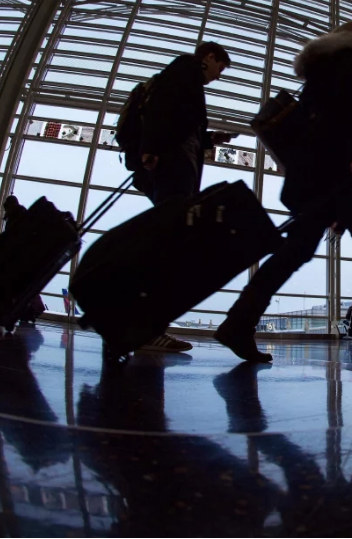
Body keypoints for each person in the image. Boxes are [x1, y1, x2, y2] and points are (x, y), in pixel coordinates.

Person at [213, 22, 352, 363]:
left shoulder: (316, 73)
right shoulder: (351, 59)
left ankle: (238, 322)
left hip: (315, 181)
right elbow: (351, 114)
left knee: (294, 252)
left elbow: (318, 127)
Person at [126, 42, 233, 352]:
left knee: (164, 247)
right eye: (220, 67)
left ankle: (144, 325)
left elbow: (181, 127)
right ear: (209, 58)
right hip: (173, 173)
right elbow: (160, 107)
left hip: (174, 172)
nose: (218, 75)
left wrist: (211, 139)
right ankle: (148, 329)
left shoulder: (186, 79)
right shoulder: (186, 69)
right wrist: (151, 149)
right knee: (164, 250)